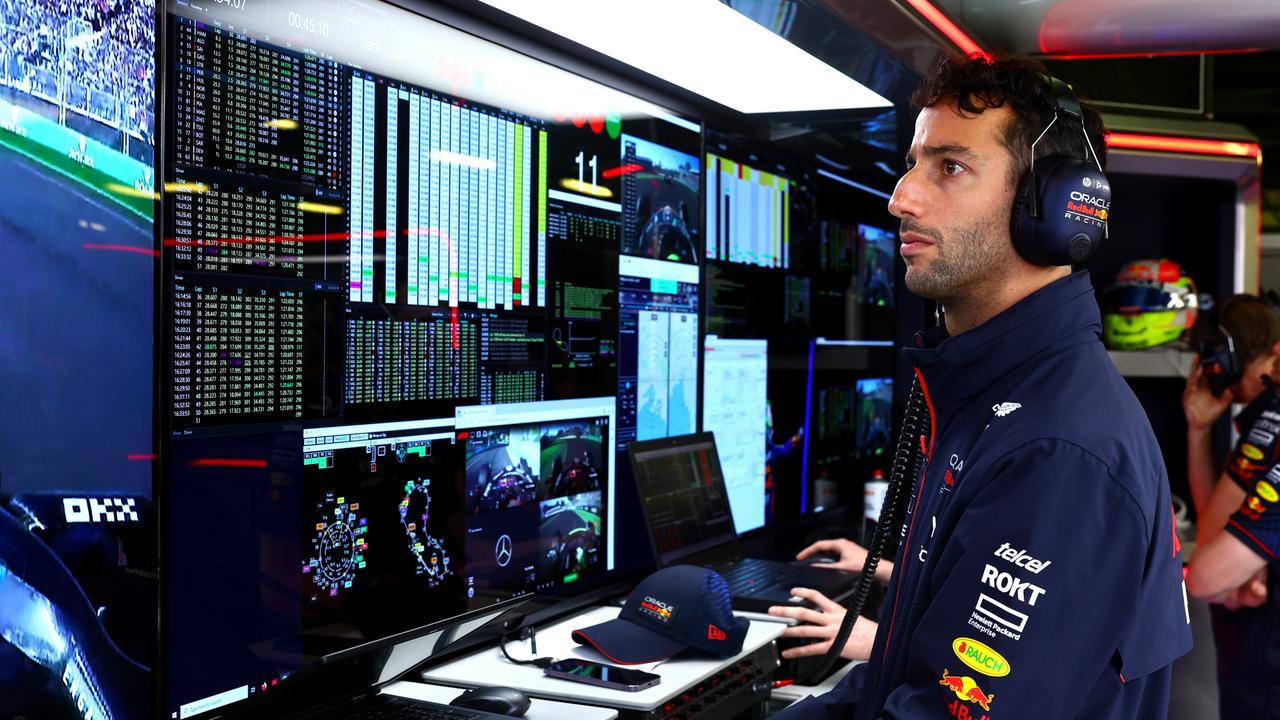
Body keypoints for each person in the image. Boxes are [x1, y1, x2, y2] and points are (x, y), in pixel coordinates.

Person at [769, 52, 1191, 719]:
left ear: (1053, 208)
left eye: (950, 167)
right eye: (913, 163)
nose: (901, 197)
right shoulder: (992, 400)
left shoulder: (1058, 452)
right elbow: (904, 674)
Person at [1183, 294, 1280, 718]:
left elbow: (1204, 566)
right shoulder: (1265, 415)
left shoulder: (1271, 417)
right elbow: (1214, 527)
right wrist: (1198, 431)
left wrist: (1232, 572)